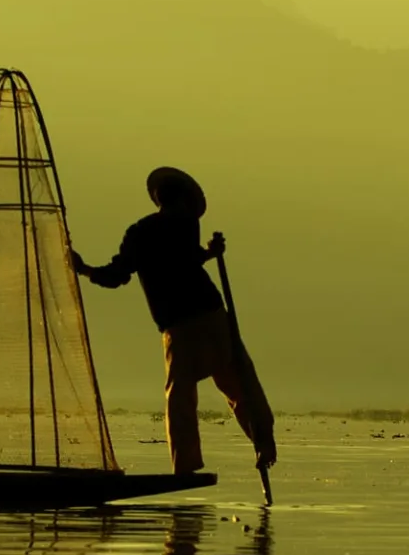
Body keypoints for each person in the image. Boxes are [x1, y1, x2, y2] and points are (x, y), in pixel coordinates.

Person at [71, 167, 276, 476]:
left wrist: (84, 269)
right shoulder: (176, 226)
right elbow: (142, 269)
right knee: (235, 382)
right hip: (195, 320)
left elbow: (121, 274)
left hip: (193, 320)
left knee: (195, 392)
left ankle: (194, 463)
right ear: (178, 201)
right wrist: (85, 269)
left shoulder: (148, 231)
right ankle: (260, 442)